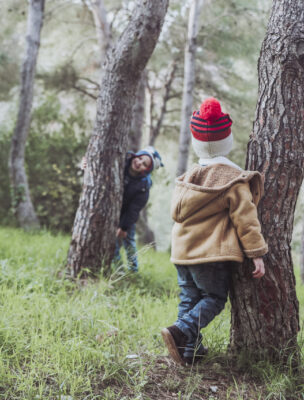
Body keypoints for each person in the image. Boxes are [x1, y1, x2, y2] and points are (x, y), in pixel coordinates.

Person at [161, 98, 267, 365]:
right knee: (214, 298)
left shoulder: (188, 180)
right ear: (227, 140)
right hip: (209, 255)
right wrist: (256, 252)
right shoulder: (233, 179)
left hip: (182, 252)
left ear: (197, 143)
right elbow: (246, 218)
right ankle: (178, 332)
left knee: (189, 299)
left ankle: (190, 353)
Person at [82, 146, 163, 273]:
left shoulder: (143, 186)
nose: (139, 163)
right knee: (113, 242)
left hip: (127, 217)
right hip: (111, 211)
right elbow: (102, 169)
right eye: (140, 158)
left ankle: (133, 269)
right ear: (136, 155)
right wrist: (88, 165)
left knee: (129, 241)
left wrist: (124, 227)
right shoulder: (121, 163)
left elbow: (134, 209)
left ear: (146, 170)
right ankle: (118, 268)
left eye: (144, 164)